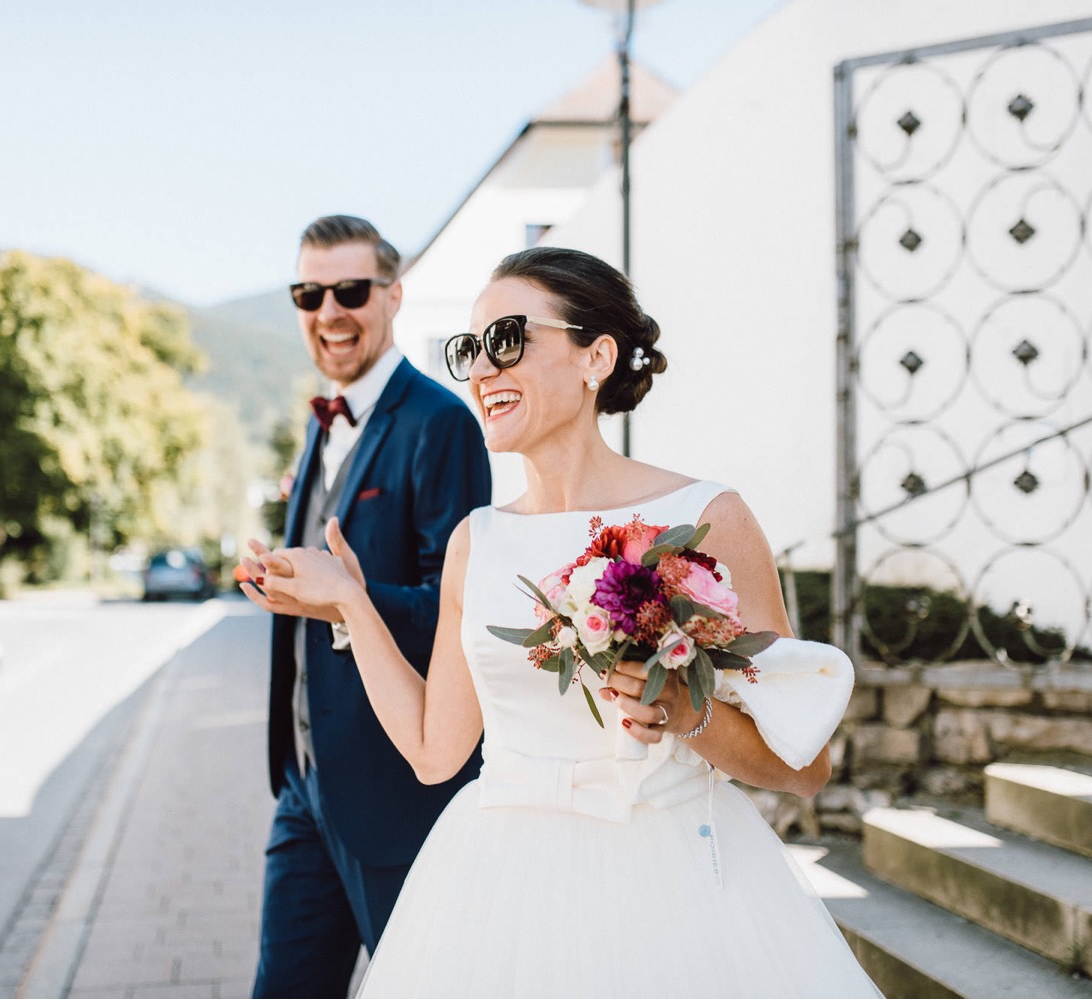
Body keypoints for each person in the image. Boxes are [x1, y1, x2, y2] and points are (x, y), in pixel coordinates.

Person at [242, 245, 883, 996]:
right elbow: (433, 751)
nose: (482, 370)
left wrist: (682, 708)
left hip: (670, 887)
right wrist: (350, 601)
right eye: (469, 349)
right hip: (497, 888)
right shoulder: (475, 542)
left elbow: (804, 767)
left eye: (508, 339)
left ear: (595, 356)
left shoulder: (708, 518)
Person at [246, 215, 492, 999]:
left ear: (393, 295)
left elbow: (457, 611)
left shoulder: (440, 422)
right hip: (305, 786)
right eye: (309, 293)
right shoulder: (322, 424)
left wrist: (346, 599)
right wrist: (288, 584)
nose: (329, 311)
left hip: (398, 794)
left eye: (350, 290)